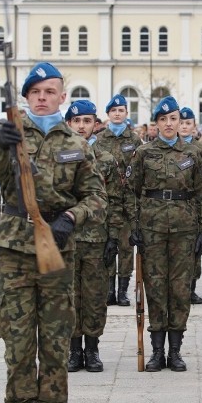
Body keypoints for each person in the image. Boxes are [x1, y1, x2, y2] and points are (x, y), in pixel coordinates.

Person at [0, 62, 106, 403]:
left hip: (58, 250)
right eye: (35, 91)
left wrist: (70, 219)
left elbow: (96, 197)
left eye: (49, 91)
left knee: (54, 342)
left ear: (61, 97)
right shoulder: (11, 134)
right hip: (16, 249)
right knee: (17, 342)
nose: (41, 97)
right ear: (27, 96)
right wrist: (1, 143)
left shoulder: (76, 142)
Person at [128, 96, 202, 372]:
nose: (168, 124)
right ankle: (157, 350)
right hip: (152, 229)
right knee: (155, 286)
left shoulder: (193, 153)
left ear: (179, 121)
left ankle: (175, 350)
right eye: (163, 119)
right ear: (157, 123)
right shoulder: (144, 153)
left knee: (179, 287)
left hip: (184, 229)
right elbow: (131, 191)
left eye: (173, 119)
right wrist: (135, 225)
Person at [64, 100, 125, 373]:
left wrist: (113, 236)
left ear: (95, 124)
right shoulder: (58, 156)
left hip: (97, 238)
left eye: (87, 121)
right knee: (68, 296)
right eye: (76, 121)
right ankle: (74, 351)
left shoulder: (106, 159)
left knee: (95, 296)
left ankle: (93, 348)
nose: (81, 126)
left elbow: (116, 201)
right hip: (66, 238)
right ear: (68, 124)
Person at [95, 94, 143, 307]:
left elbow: (139, 168)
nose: (117, 114)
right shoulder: (99, 140)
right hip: (106, 201)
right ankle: (108, 291)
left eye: (121, 110)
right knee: (108, 245)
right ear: (108, 114)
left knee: (125, 247)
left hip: (127, 202)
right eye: (113, 111)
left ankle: (123, 291)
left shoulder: (134, 140)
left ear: (126, 113)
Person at [178, 106, 202, 305]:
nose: (183, 126)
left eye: (187, 123)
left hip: (194, 204)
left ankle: (191, 287)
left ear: (194, 126)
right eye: (181, 123)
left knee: (194, 252)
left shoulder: (201, 150)